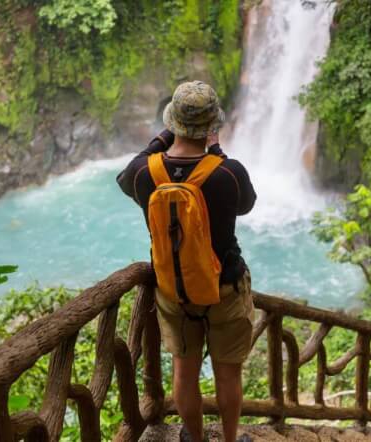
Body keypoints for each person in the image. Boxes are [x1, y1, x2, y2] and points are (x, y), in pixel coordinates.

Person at [117, 81, 257, 442]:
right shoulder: (228, 172)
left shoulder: (147, 173)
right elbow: (246, 204)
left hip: (173, 290)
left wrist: (162, 139)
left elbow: (124, 176)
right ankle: (229, 439)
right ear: (213, 126)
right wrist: (218, 150)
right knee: (228, 373)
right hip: (224, 286)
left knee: (184, 371)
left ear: (173, 123)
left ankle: (193, 437)